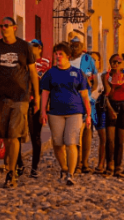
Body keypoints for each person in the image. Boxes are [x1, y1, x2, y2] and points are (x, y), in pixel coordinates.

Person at [0, 17, 40, 189]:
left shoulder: (24, 47)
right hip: (1, 98)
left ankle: (11, 172)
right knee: (6, 136)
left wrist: (36, 97)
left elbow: (33, 72)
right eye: (1, 25)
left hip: (20, 97)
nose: (3, 28)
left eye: (6, 26)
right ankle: (10, 166)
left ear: (14, 28)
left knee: (14, 135)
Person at [39, 42, 91, 187]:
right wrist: (43, 110)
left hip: (75, 111)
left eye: (60, 54)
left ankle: (70, 174)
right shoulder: (50, 73)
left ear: (68, 56)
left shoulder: (77, 73)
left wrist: (88, 114)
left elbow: (85, 95)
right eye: (56, 53)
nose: (57, 56)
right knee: (57, 143)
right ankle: (64, 167)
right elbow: (45, 93)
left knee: (71, 142)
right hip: (55, 112)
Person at [102, 53, 124, 178]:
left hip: (123, 108)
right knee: (110, 140)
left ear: (122, 64)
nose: (116, 64)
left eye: (118, 62)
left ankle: (118, 166)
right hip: (111, 105)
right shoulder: (106, 77)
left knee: (120, 140)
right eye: (113, 62)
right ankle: (109, 166)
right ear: (110, 63)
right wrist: (110, 110)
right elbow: (107, 95)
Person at [68, 39, 97, 175]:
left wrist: (89, 92)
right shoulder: (65, 60)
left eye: (77, 45)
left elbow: (95, 80)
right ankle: (76, 162)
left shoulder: (88, 59)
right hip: (70, 101)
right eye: (72, 46)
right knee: (74, 133)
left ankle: (84, 162)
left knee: (86, 131)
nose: (74, 48)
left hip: (86, 101)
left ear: (82, 46)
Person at [26, 39, 51, 178]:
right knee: (18, 135)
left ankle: (34, 168)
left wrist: (45, 104)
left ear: (39, 48)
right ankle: (19, 165)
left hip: (38, 101)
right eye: (29, 46)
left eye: (34, 47)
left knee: (35, 135)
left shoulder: (46, 63)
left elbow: (48, 84)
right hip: (24, 100)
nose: (31, 49)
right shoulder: (23, 61)